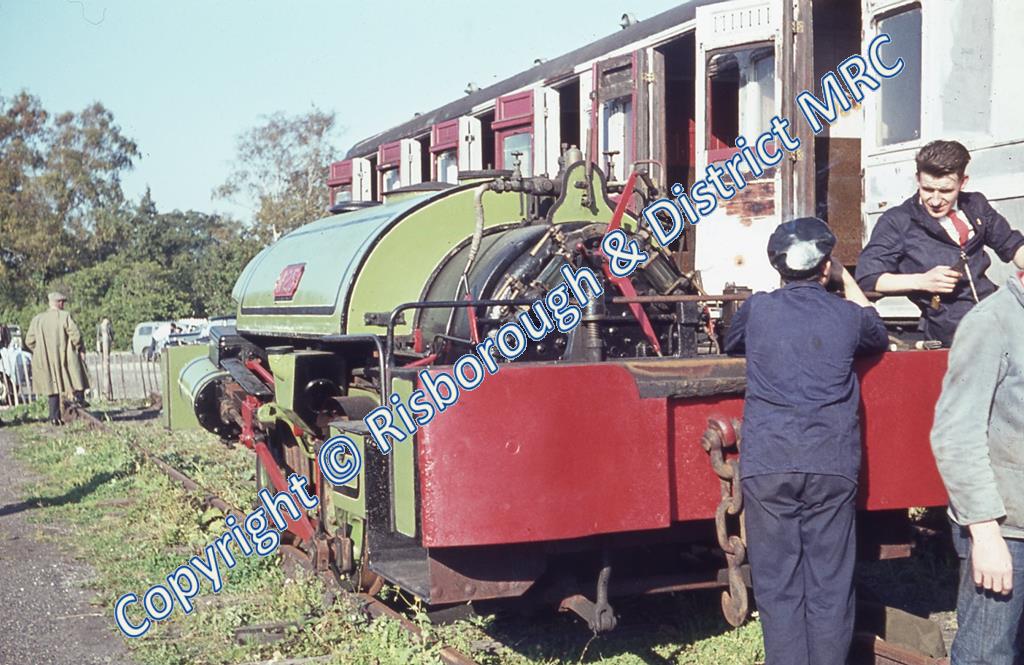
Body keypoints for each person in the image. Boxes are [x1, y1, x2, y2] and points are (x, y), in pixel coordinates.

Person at [724, 217, 889, 665]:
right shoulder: (848, 315)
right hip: (830, 463)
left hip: (770, 463)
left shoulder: (757, 310)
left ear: (778, 267)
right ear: (826, 267)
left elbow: (730, 341)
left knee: (778, 585)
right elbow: (878, 332)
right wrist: (846, 280)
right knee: (830, 585)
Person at [930, 270, 1024, 665]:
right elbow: (956, 434)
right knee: (987, 655)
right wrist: (985, 535)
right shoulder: (992, 323)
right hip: (1006, 533)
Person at [856, 140, 1024, 347]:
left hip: (1001, 318)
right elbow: (867, 278)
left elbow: (1013, 245)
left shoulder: (976, 205)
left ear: (963, 182)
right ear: (917, 179)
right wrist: (922, 281)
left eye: (945, 191)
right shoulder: (897, 221)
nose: (935, 201)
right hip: (951, 335)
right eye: (927, 189)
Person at [24, 291, 90, 425]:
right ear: (58, 303)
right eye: (62, 302)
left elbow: (29, 341)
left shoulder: (37, 319)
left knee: (52, 388)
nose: (64, 304)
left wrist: (41, 351)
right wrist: (80, 348)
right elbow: (76, 336)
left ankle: (54, 417)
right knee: (76, 379)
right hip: (65, 358)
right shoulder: (65, 316)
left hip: (46, 360)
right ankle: (78, 405)